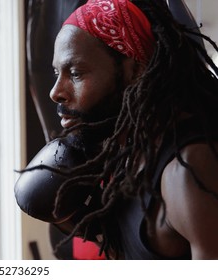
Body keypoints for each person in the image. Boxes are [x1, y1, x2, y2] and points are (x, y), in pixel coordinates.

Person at [35, 0, 218, 259]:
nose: (56, 92)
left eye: (75, 73)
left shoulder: (186, 171)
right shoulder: (127, 157)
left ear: (135, 71)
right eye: (57, 73)